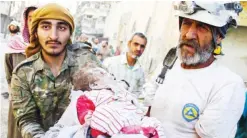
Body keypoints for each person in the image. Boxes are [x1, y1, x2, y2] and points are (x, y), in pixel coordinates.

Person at [148, 1, 246, 138]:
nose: (189, 35)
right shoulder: (168, 65)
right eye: (186, 23)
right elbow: (146, 109)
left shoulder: (228, 84)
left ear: (218, 37)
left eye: (202, 27)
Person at [10, 3, 100, 138]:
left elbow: (109, 94)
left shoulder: (86, 61)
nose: (53, 36)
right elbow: (27, 119)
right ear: (35, 32)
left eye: (62, 28)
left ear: (70, 33)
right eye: (45, 27)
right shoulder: (23, 72)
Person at [44, 64, 165, 138]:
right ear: (94, 84)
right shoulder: (93, 94)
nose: (108, 74)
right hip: (112, 123)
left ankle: (146, 132)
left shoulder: (120, 91)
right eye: (103, 74)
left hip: (132, 120)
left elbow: (135, 104)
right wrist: (86, 116)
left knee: (154, 122)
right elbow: (83, 104)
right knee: (103, 112)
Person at [5, 6, 37, 138]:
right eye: (30, 19)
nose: (34, 22)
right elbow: (9, 76)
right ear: (25, 21)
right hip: (19, 104)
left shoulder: (49, 48)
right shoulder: (13, 47)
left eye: (38, 18)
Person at [103, 32, 147, 98]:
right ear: (129, 44)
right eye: (136, 44)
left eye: (142, 46)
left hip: (127, 107)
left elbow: (139, 92)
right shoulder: (110, 62)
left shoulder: (140, 72)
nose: (138, 48)